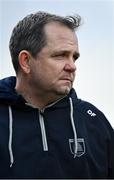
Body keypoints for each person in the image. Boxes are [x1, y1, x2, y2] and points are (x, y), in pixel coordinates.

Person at [0, 11, 114, 179]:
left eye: (74, 57)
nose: (72, 66)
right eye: (60, 55)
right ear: (25, 61)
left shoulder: (95, 122)